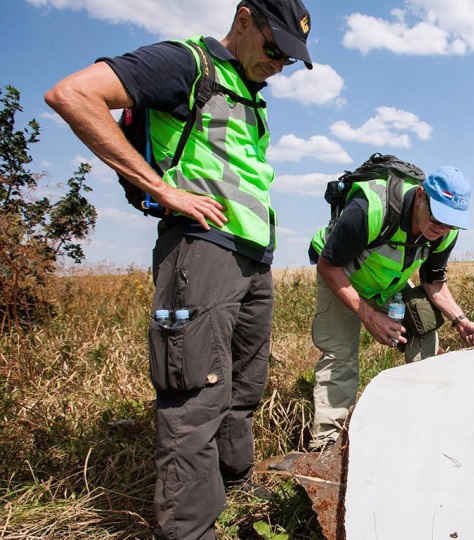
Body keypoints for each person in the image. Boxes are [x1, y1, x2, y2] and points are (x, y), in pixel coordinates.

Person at [45, 1, 313, 537]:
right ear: (243, 19)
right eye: (275, 47)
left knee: (242, 384)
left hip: (251, 257)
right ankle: (191, 529)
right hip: (201, 250)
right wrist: (162, 188)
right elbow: (72, 94)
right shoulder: (187, 64)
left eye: (290, 57)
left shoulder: (248, 95)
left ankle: (234, 483)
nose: (280, 63)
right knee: (195, 392)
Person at [306, 166, 474, 451]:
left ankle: (419, 419)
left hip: (386, 284)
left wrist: (461, 320)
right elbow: (328, 265)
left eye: (451, 223)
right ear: (420, 196)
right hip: (341, 275)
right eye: (437, 217)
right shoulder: (370, 208)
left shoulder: (445, 233)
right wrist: (368, 316)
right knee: (341, 356)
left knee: (426, 326)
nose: (441, 228)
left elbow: (433, 282)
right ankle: (325, 446)